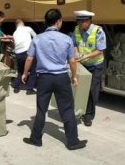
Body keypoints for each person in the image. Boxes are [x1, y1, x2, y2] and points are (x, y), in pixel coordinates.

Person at [22, 9, 87, 150]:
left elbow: (29, 58)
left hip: (43, 78)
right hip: (61, 78)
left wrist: (25, 73)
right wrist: (74, 76)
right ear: (58, 22)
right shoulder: (66, 39)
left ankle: (36, 139)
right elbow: (72, 61)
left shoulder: (38, 38)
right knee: (67, 109)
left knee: (41, 109)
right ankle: (73, 142)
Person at [72, 10, 106, 127]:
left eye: (81, 22)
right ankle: (80, 111)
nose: (79, 24)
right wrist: (76, 52)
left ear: (88, 21)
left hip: (95, 65)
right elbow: (75, 43)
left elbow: (100, 50)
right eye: (78, 22)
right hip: (82, 65)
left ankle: (88, 116)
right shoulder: (77, 29)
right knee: (80, 89)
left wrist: (86, 56)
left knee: (92, 90)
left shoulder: (98, 31)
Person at [12, 19, 37, 95]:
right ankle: (29, 89)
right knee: (33, 70)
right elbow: (36, 37)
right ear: (22, 23)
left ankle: (16, 87)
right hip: (28, 52)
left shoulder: (14, 33)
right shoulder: (27, 28)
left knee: (20, 70)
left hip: (18, 54)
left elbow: (14, 44)